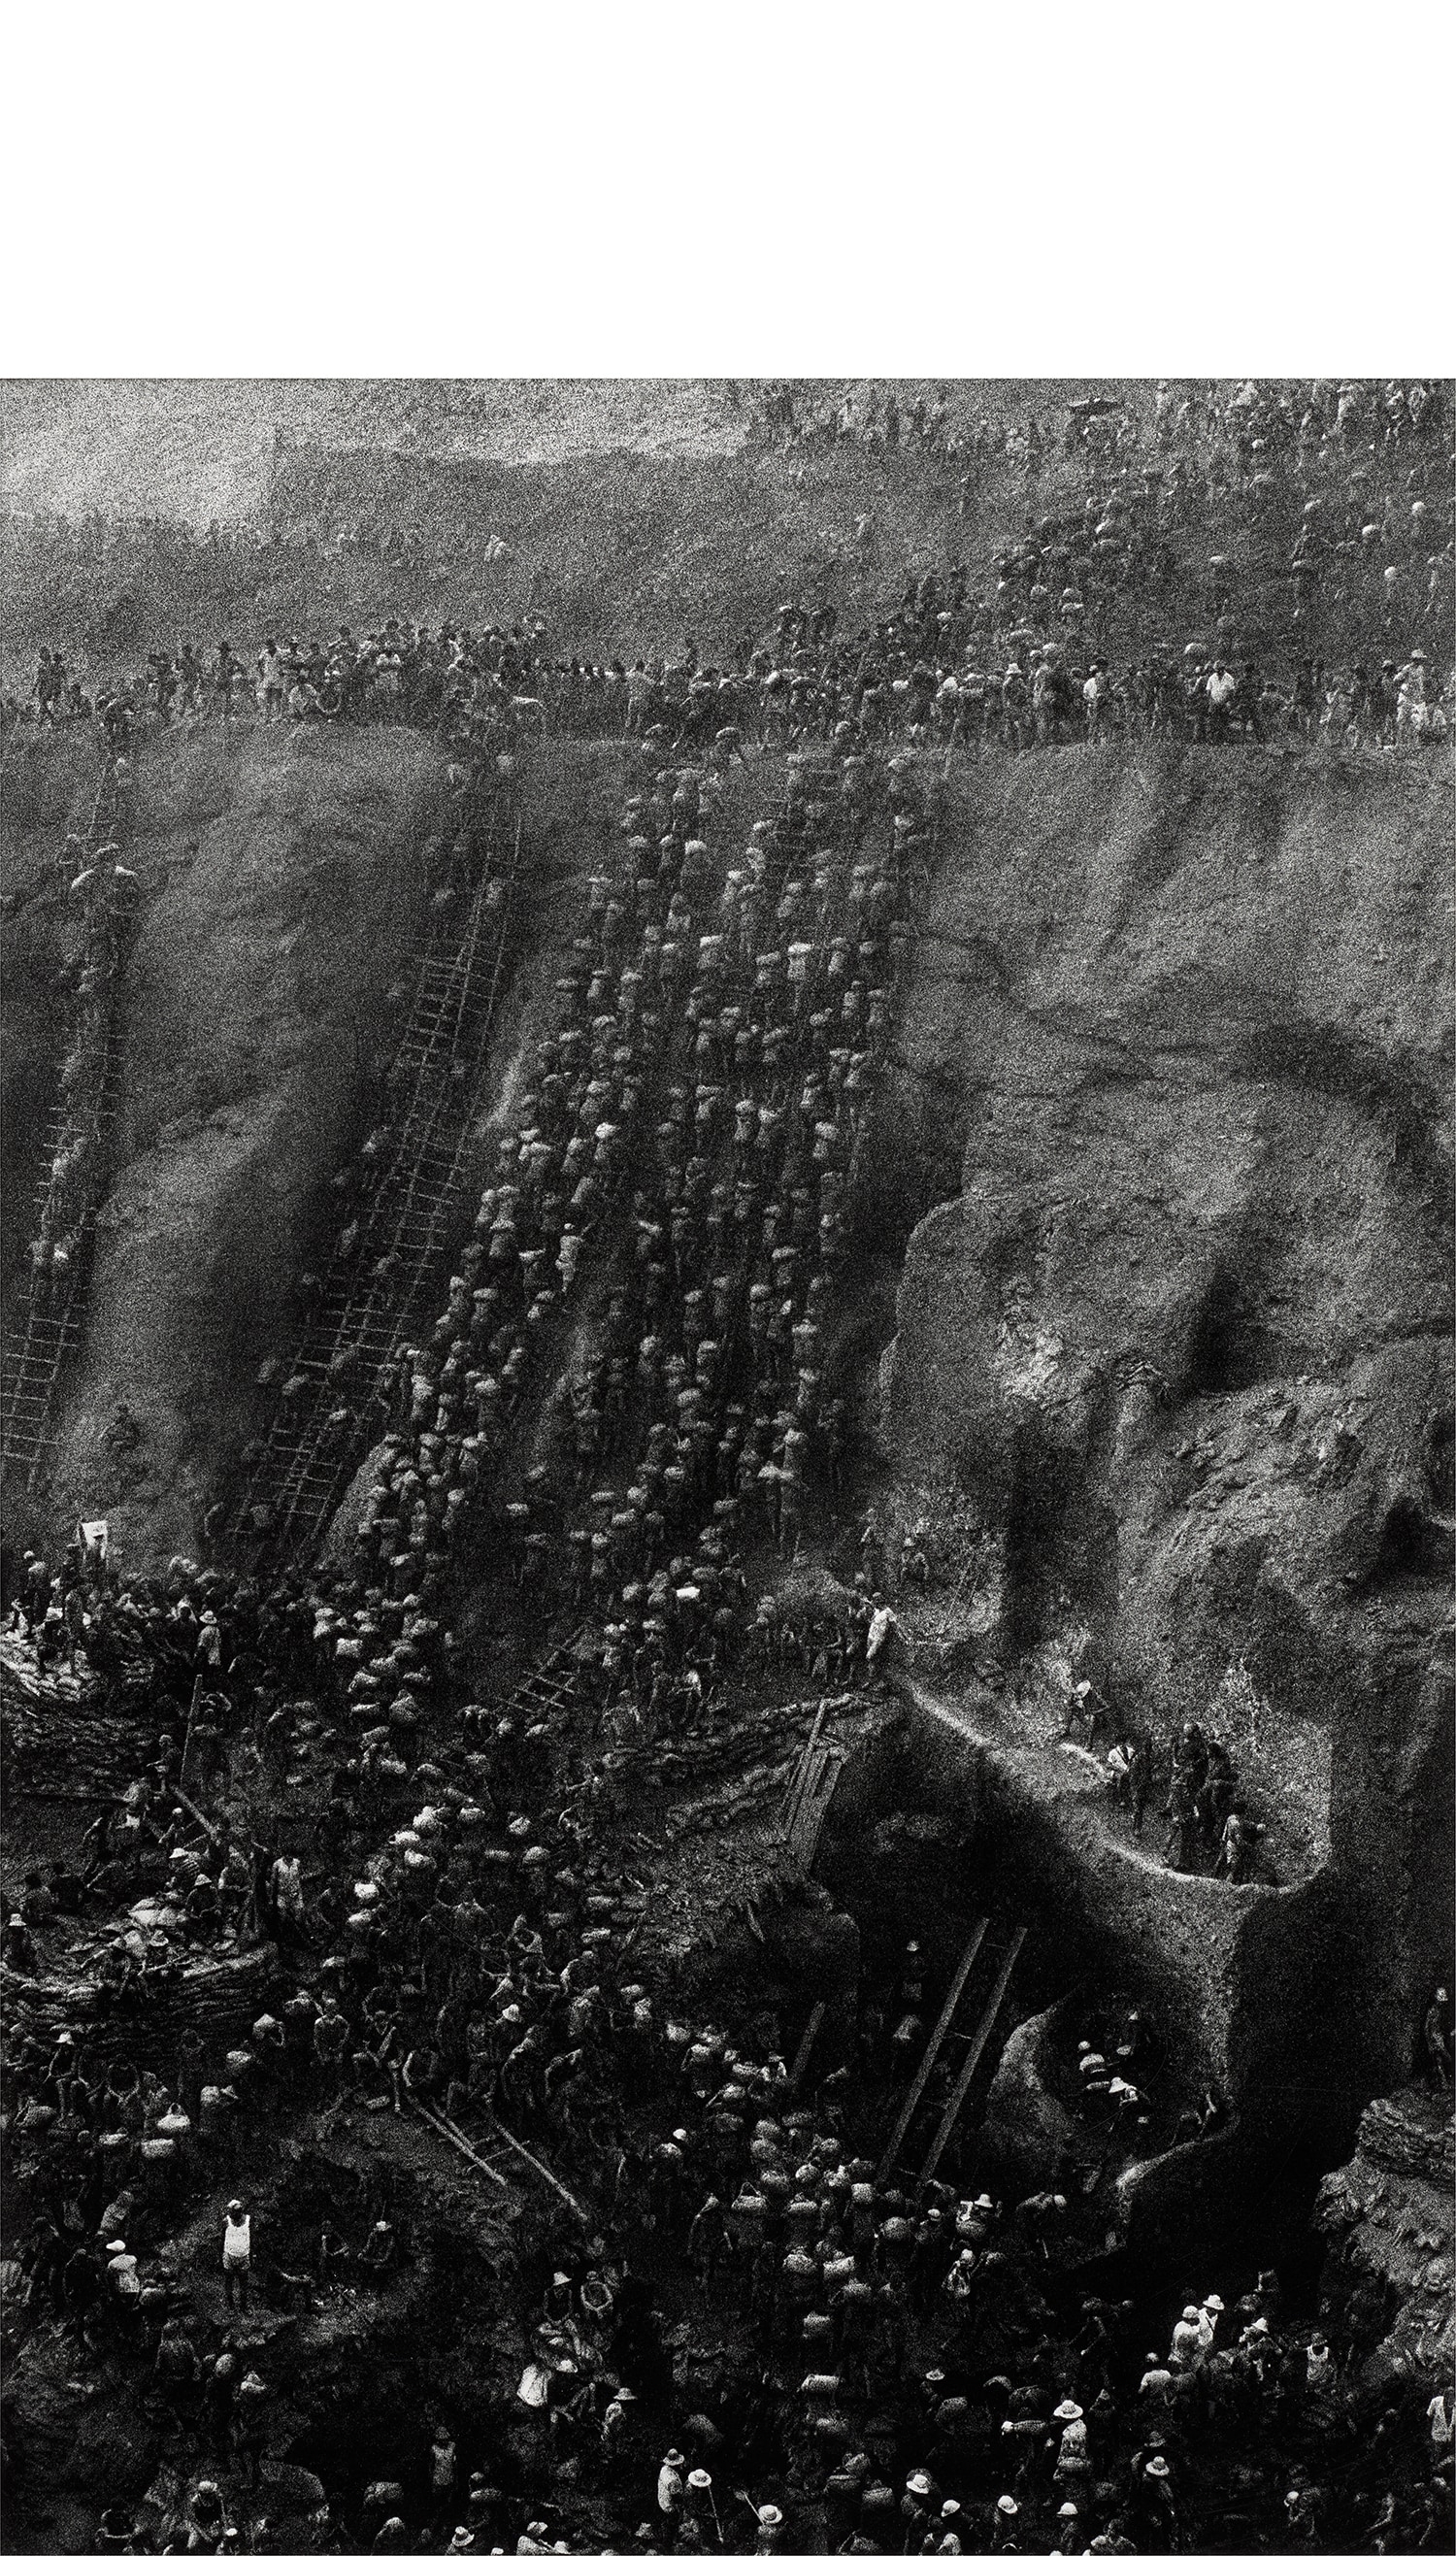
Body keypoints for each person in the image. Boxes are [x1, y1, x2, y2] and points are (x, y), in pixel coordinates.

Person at [222, 2198, 251, 2311]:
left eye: (239, 2210)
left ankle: (244, 2306)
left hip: (244, 2255)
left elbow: (252, 2236)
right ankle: (231, 2306)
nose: (237, 2213)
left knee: (243, 2282)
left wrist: (252, 2253)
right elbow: (221, 2237)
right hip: (229, 2255)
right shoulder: (226, 2221)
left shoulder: (248, 2220)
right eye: (234, 2211)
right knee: (229, 2281)